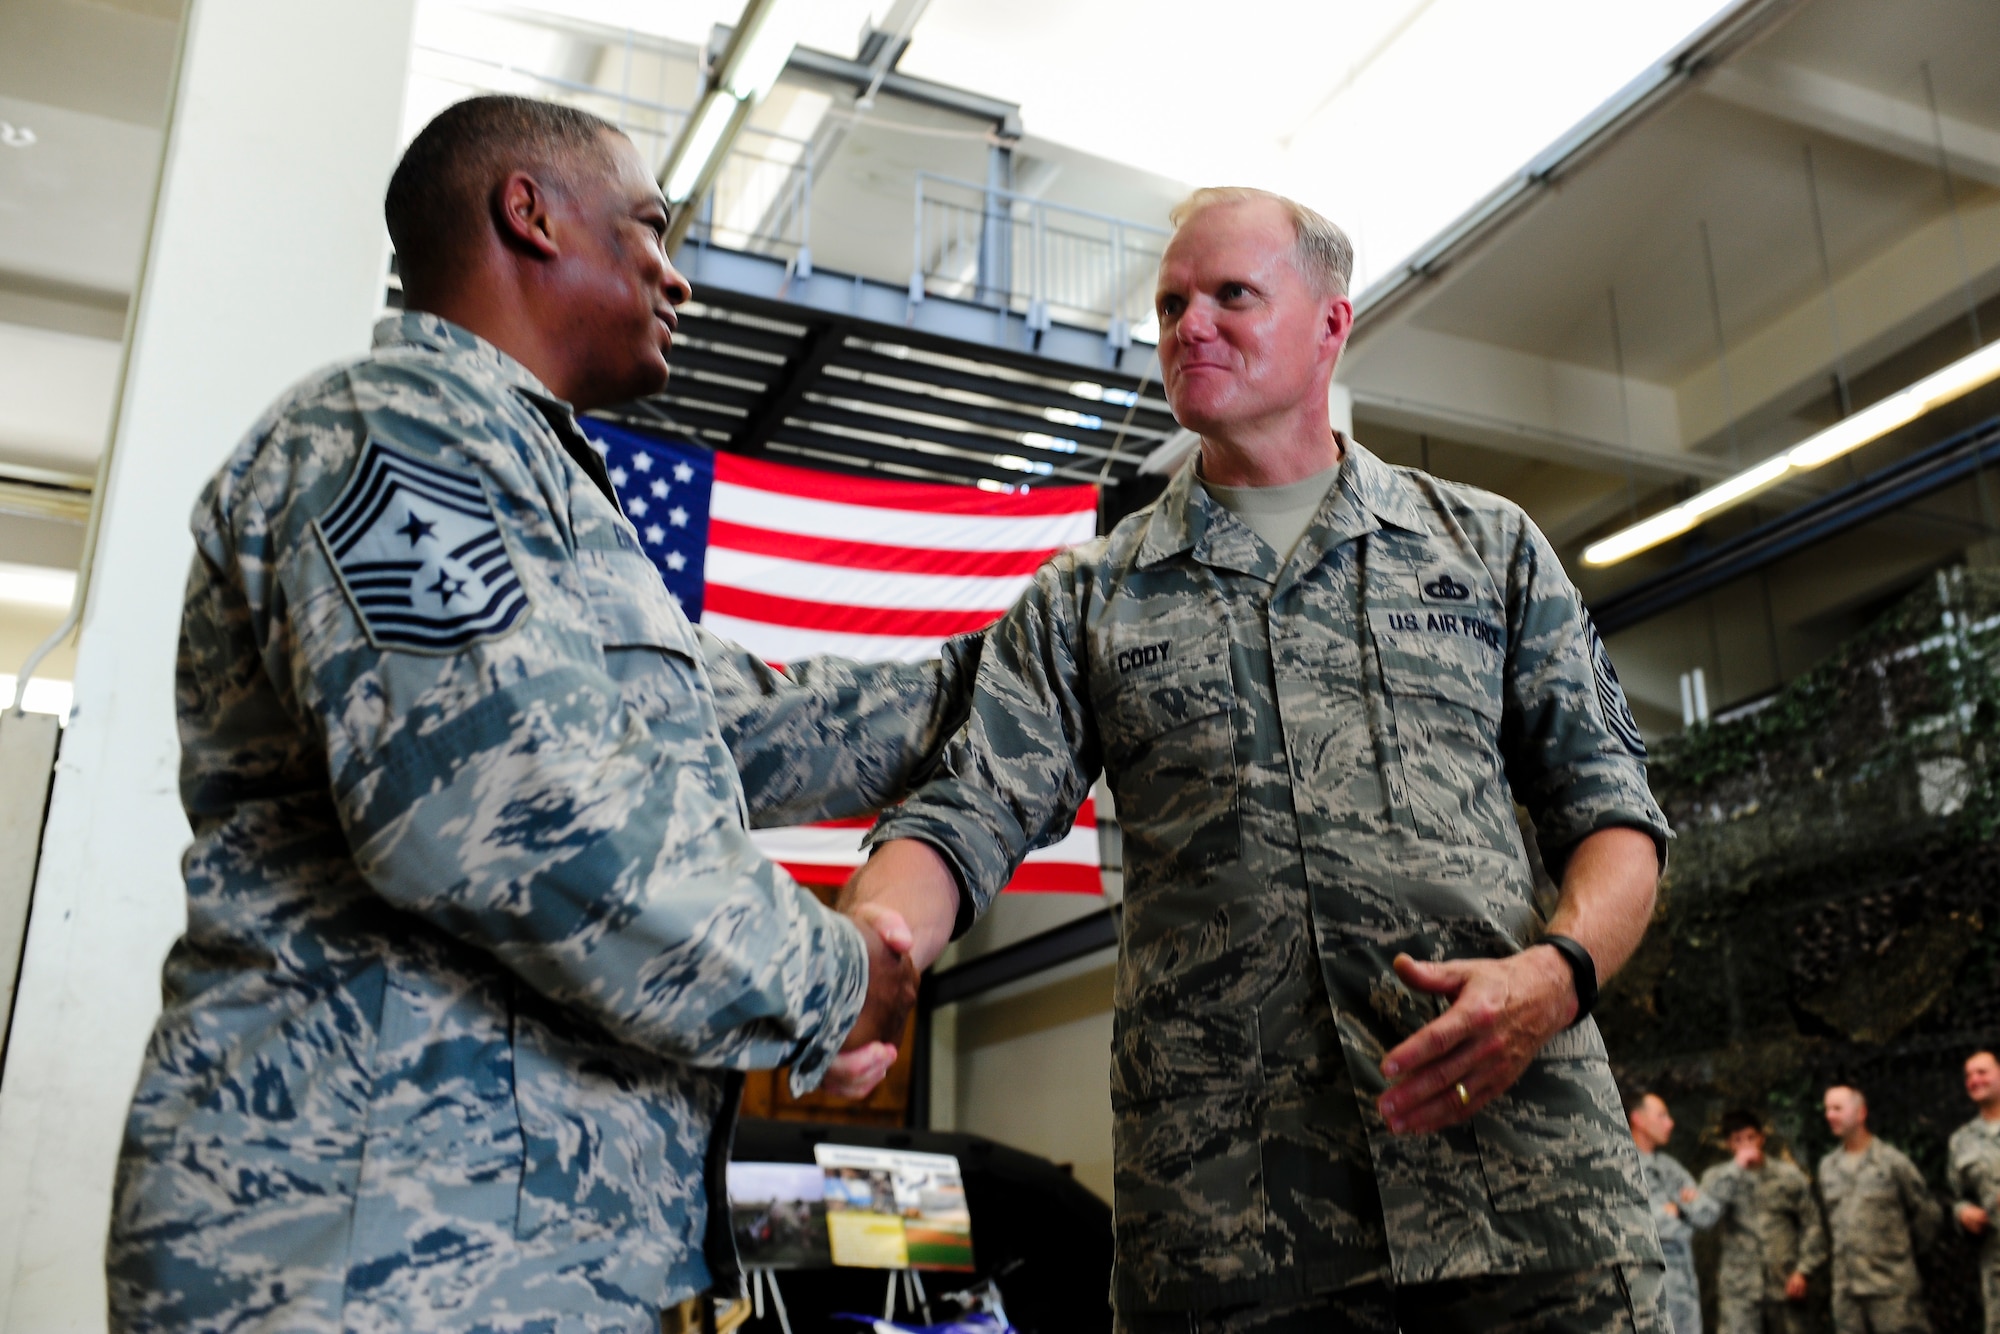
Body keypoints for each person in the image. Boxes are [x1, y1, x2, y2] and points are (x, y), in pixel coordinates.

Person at [107, 96, 962, 1332]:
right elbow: (510, 808)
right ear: (532, 212)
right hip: (357, 1256)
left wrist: (1019, 672)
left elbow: (745, 728)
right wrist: (832, 977)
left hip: (511, 1257)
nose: (675, 277)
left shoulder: (534, 489)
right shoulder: (391, 432)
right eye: (651, 229)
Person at [843, 185, 1674, 1331]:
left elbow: (1613, 816)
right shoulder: (1093, 595)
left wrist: (1555, 975)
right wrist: (876, 940)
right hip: (1235, 1230)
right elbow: (967, 805)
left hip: (1526, 1195)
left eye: (1231, 294)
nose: (1189, 324)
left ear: (1330, 322)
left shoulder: (1481, 546)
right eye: (1172, 300)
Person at [1819, 1085, 1940, 1334]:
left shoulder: (1892, 1162)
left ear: (1861, 1113)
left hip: (1891, 1290)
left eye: (1837, 1108)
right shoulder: (1827, 1167)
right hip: (1847, 1291)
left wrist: (1901, 1256)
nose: (1830, 1115)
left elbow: (1927, 1214)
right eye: (1827, 1109)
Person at [1700, 1110, 1827, 1334]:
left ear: (1762, 1138)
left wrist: (1804, 1270)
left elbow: (1813, 1224)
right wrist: (1736, 1168)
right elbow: (1704, 1214)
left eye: (1751, 1137)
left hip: (1785, 1286)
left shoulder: (1788, 1177)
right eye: (1738, 1140)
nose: (1747, 1145)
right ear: (1729, 1145)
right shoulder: (1717, 1178)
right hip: (1740, 1290)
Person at [1628, 1091, 1721, 1334]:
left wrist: (1678, 1210)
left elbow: (1709, 1212)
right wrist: (1685, 1209)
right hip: (1647, 1286)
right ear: (1638, 1119)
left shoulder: (1669, 1166)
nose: (1670, 1123)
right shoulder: (1624, 1166)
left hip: (1685, 1285)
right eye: (1661, 1115)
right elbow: (1649, 1224)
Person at [1949, 1051, 2000, 1334]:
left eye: (1982, 1072)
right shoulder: (1961, 1141)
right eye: (1968, 1075)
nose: (1974, 1080)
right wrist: (1962, 1213)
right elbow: (1958, 1196)